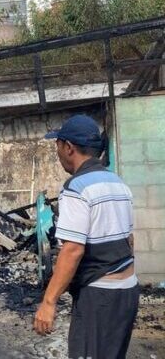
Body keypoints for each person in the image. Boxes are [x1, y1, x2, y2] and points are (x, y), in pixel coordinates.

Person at [33, 114, 139, 359]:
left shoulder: (76, 188)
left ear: (68, 147)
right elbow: (129, 240)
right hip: (127, 290)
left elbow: (73, 249)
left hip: (99, 295)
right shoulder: (117, 182)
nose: (57, 152)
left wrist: (49, 302)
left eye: (57, 145)